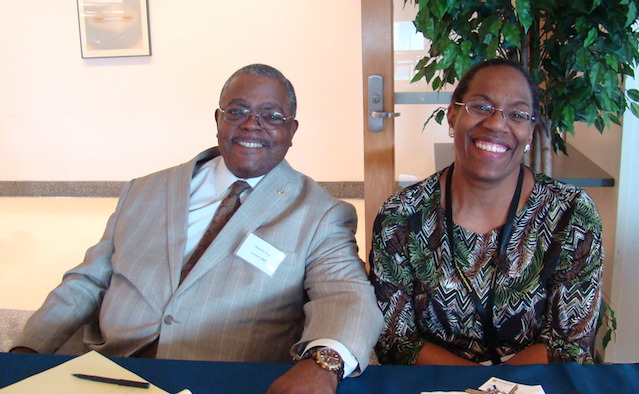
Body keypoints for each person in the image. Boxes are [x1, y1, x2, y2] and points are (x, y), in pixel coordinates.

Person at [12, 64, 383, 392]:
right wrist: (25, 351)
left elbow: (344, 294)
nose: (252, 124)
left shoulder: (320, 212)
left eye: (272, 116)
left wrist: (323, 365)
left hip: (221, 378)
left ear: (292, 130)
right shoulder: (144, 189)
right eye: (237, 111)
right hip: (111, 370)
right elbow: (88, 281)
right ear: (218, 119)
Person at [369, 58, 604, 367]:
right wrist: (478, 386)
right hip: (435, 386)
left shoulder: (571, 214)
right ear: (452, 115)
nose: (496, 124)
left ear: (531, 131)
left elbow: (569, 344)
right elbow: (395, 341)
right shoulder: (401, 216)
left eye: (517, 114)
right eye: (480, 107)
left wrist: (494, 388)